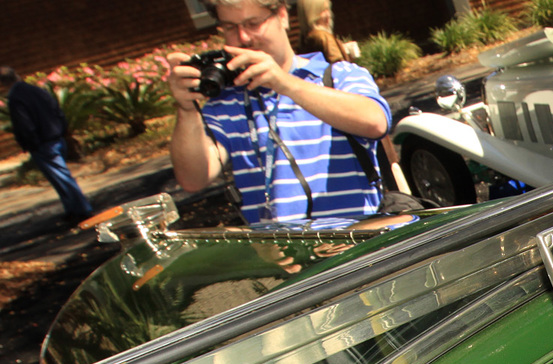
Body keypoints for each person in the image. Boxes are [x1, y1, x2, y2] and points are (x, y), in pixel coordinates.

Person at [166, 0, 390, 224]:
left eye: (253, 23)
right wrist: (186, 109)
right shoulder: (224, 103)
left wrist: (285, 83)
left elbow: (375, 123)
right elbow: (193, 180)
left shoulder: (338, 76)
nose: (244, 37)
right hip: (285, 254)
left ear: (282, 16)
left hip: (361, 243)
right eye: (231, 27)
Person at [0, 67, 93, 224]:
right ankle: (71, 210)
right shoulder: (36, 89)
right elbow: (56, 109)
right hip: (57, 138)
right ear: (16, 75)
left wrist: (30, 143)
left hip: (43, 143)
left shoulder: (16, 97)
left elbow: (24, 124)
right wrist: (63, 130)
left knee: (62, 178)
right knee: (59, 178)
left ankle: (83, 210)